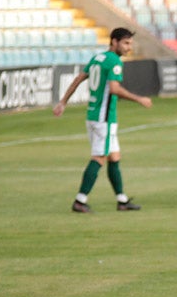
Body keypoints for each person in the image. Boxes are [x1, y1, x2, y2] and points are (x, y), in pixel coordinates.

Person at [53, 27, 152, 213]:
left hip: (93, 115)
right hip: (103, 119)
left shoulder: (97, 58)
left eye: (130, 43)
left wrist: (63, 102)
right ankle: (80, 200)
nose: (129, 47)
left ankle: (122, 200)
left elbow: (78, 79)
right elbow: (114, 89)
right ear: (114, 42)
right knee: (99, 158)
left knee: (114, 157)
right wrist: (139, 99)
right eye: (126, 43)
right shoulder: (114, 62)